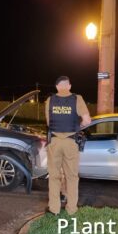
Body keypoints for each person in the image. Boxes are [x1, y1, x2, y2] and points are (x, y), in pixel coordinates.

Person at [45, 76, 91, 215]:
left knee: (54, 177)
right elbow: (87, 120)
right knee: (72, 177)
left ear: (57, 87)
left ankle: (54, 209)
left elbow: (49, 123)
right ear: (69, 86)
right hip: (71, 142)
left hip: (55, 142)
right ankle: (71, 209)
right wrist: (79, 126)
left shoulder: (49, 100)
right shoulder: (77, 98)